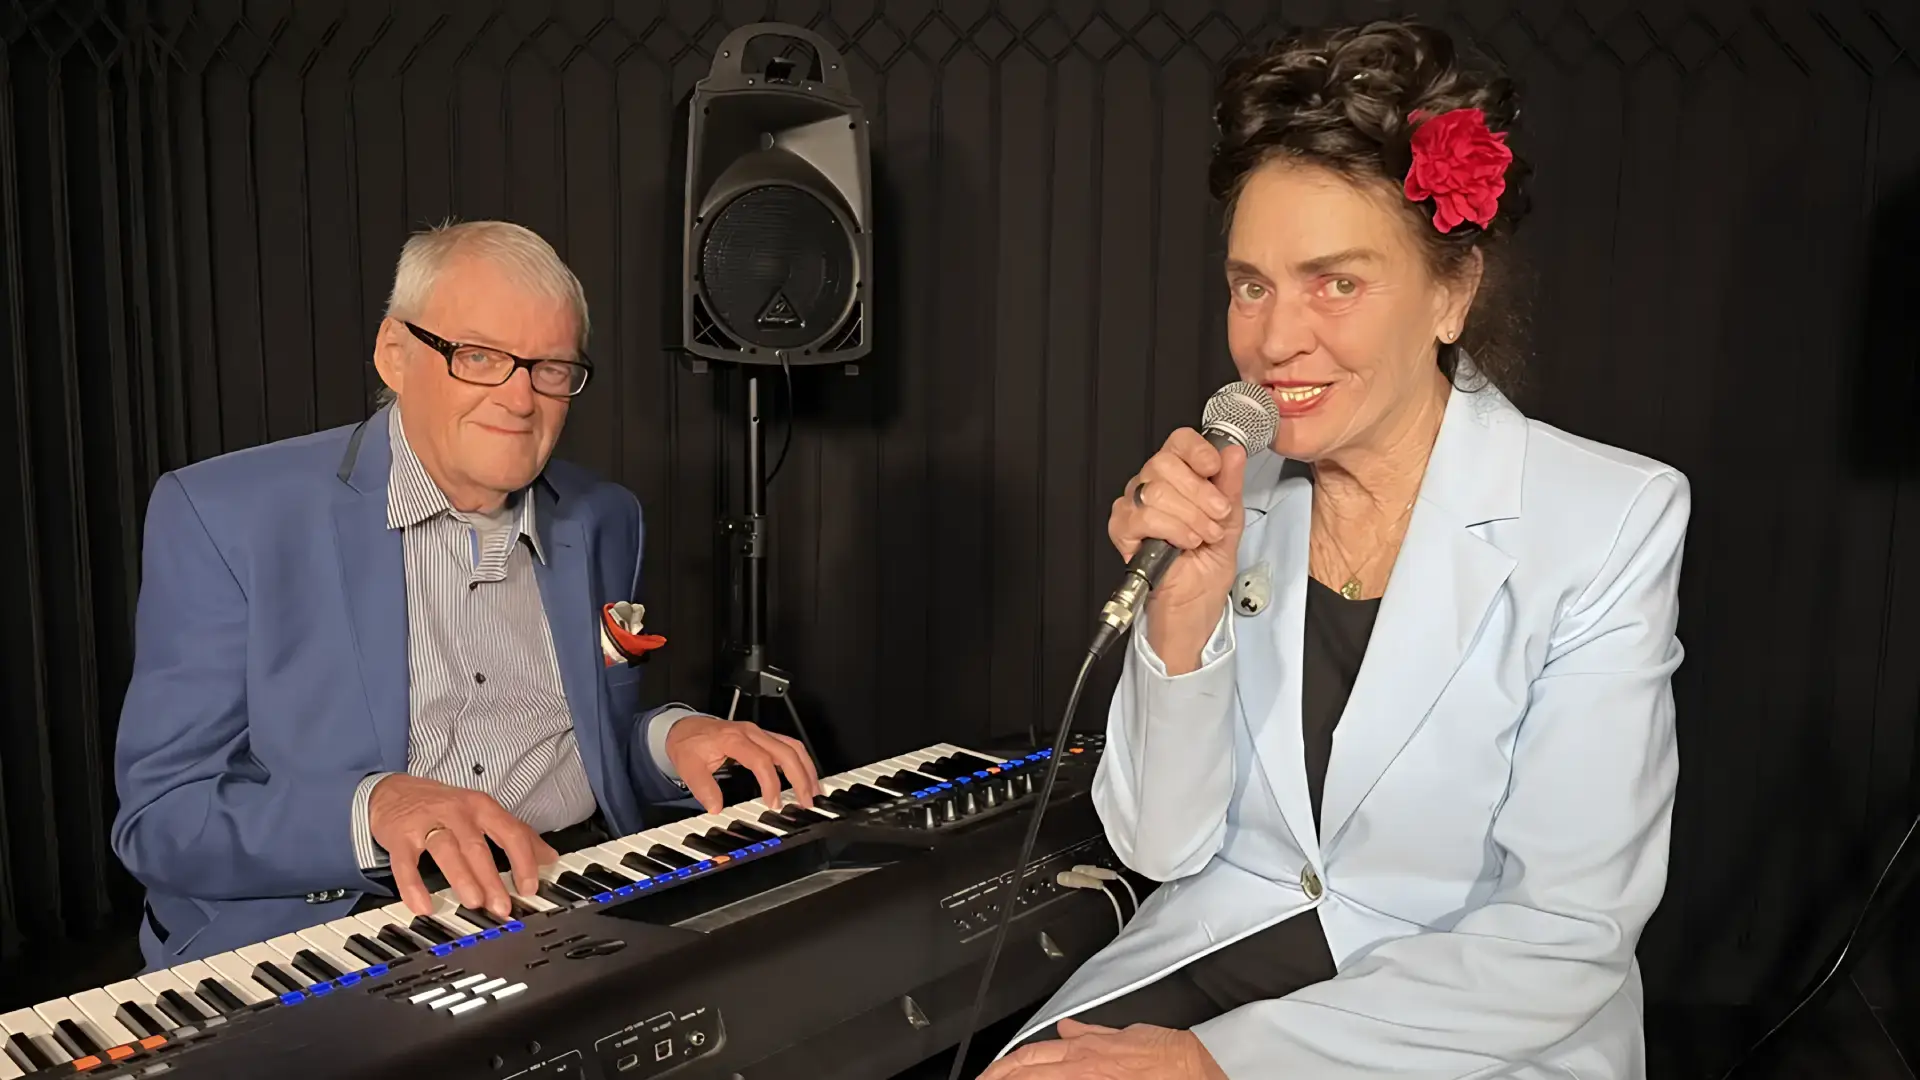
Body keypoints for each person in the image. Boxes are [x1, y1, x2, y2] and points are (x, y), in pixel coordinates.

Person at [982, 20, 1686, 1080]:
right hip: (1226, 945)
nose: (1273, 340)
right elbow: (1157, 848)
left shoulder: (1610, 519)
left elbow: (1561, 936)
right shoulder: (1232, 494)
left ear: (1452, 293)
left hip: (1465, 1012)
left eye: (1336, 283)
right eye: (1250, 283)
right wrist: (1181, 623)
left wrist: (1217, 1064)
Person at [111, 220, 820, 970]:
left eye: (550, 368)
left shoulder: (606, 516)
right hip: (348, 924)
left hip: (571, 889)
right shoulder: (225, 514)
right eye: (479, 357)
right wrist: (378, 808)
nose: (519, 399)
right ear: (395, 355)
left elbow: (581, 740)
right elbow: (162, 820)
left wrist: (671, 738)